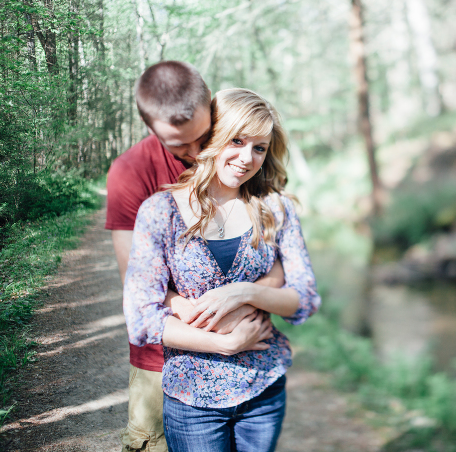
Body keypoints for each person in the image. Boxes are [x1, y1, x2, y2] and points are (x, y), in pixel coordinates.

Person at [123, 88, 321, 452]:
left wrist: (244, 292)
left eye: (259, 147)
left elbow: (306, 299)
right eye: (237, 140)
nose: (247, 158)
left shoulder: (275, 209)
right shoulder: (159, 212)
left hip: (264, 388)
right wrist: (223, 344)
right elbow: (142, 317)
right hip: (193, 400)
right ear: (212, 138)